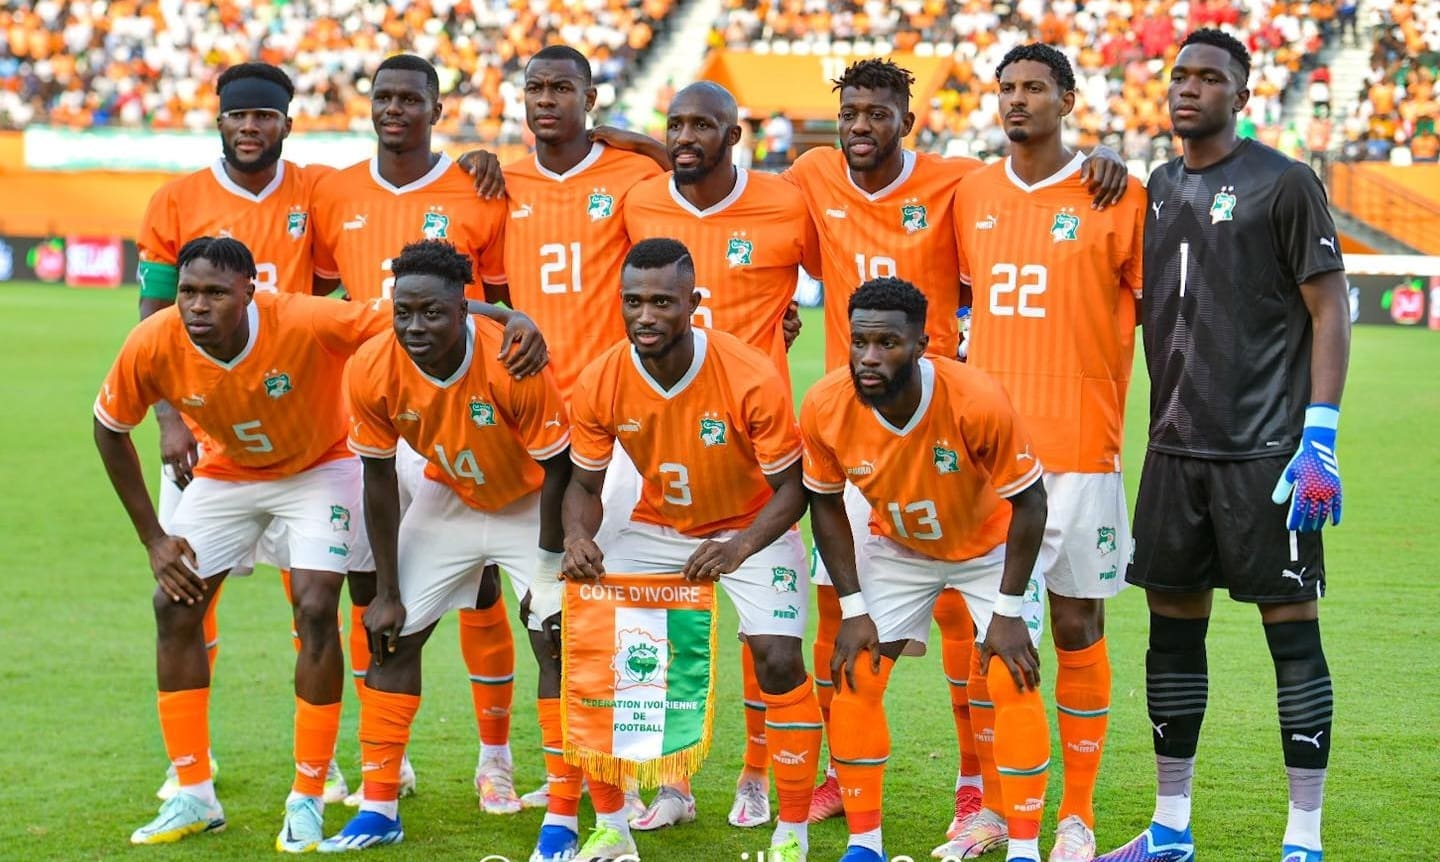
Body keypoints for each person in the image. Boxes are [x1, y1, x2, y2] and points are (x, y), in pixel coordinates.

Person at [781, 57, 1122, 828]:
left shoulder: (959, 184)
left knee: (966, 618)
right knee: (839, 613)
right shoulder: (811, 175)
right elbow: (730, 196)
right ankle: (840, 771)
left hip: (944, 427)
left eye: (878, 113)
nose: (861, 126)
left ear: (908, 121)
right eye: (850, 113)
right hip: (851, 432)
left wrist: (1097, 156)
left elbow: (1028, 203)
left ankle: (977, 782)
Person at [1095, 29, 1349, 862]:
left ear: (1242, 96)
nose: (1189, 88)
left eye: (1209, 78)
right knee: (1170, 638)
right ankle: (1170, 827)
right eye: (1180, 75)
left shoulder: (1285, 181)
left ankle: (1303, 838)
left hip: (1268, 456)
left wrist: (1320, 436)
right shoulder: (1158, 186)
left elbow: (1329, 309)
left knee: (1293, 638)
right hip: (1173, 453)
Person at [94, 236, 392, 851]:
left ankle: (308, 795)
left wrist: (502, 317)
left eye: (215, 293)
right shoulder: (154, 340)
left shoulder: (304, 318)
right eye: (187, 292)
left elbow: (406, 312)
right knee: (173, 603)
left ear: (249, 292)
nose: (197, 306)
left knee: (316, 606)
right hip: (227, 472)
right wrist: (154, 539)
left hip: (320, 466)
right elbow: (108, 428)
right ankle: (193, 793)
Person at [309, 52, 541, 814]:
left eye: (411, 99)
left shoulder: (478, 188)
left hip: (465, 412)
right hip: (376, 413)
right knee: (372, 591)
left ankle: (495, 758)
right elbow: (312, 299)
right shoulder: (333, 191)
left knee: (482, 591)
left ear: (437, 109)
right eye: (384, 97)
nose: (395, 110)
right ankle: (385, 763)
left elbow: (504, 304)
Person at [947, 44, 1146, 862]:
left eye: (1035, 88)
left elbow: (1160, 309)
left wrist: (1113, 155)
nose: (1017, 101)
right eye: (1006, 89)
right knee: (991, 632)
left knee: (1075, 622)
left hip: (1082, 447)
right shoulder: (971, 193)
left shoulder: (1117, 193)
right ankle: (997, 809)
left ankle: (1077, 815)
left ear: (1068, 99)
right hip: (991, 458)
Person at [561, 238, 822, 862]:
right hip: (656, 526)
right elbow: (584, 486)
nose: (645, 316)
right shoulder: (602, 378)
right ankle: (614, 827)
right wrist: (578, 538)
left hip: (752, 526)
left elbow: (795, 489)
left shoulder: (748, 373)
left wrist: (739, 548)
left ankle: (792, 830)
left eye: (662, 302)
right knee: (597, 642)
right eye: (633, 302)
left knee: (778, 659)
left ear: (693, 302)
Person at [134, 62, 345, 803]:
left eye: (263, 116)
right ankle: (189, 763)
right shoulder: (177, 198)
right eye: (237, 116)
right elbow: (154, 315)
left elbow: (332, 301)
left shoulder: (316, 193)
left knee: (310, 595)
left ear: (287, 122)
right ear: (219, 121)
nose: (249, 127)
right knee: (188, 592)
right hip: (204, 430)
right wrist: (168, 418)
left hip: (299, 429)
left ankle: (324, 761)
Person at [319, 240, 572, 853]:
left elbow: (559, 470)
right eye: (403, 312)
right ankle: (379, 808)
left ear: (463, 310)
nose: (415, 326)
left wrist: (546, 573)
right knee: (389, 635)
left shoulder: (513, 361)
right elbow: (378, 478)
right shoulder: (372, 366)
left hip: (531, 503)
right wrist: (386, 590)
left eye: (432, 313)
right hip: (449, 497)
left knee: (555, 638)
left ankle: (562, 817)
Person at [620, 81, 821, 833]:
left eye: (702, 125)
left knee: (762, 633)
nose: (685, 136)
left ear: (734, 135)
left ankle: (758, 773)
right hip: (659, 439)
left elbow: (845, 265)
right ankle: (669, 781)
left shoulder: (787, 204)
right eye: (674, 124)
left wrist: (785, 325)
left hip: (756, 442)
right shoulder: (641, 200)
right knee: (659, 626)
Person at [800, 278, 1051, 862]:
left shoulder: (975, 399)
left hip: (989, 552)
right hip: (899, 550)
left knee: (1012, 677)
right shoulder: (825, 405)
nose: (868, 357)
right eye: (859, 341)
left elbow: (1032, 503)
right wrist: (853, 608)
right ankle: (864, 846)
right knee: (856, 675)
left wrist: (1008, 611)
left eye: (887, 343)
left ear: (921, 344)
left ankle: (1025, 848)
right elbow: (825, 504)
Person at [497, 43, 664, 820]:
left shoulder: (630, 176)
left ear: (591, 98)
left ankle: (656, 774)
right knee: (548, 616)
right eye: (535, 87)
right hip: (531, 427)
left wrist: (636, 139)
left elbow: (691, 184)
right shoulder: (500, 181)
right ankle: (574, 775)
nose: (546, 99)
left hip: (616, 430)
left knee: (619, 607)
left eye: (563, 88)